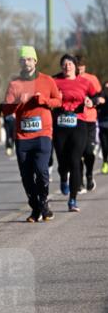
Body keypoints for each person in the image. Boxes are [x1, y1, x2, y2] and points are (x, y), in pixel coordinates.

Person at [1, 46, 62, 223]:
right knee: (26, 175)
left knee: (42, 171)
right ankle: (35, 208)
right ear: (19, 62)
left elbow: (58, 101)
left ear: (35, 61)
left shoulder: (47, 80)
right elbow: (5, 110)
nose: (26, 62)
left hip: (43, 133)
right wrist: (15, 104)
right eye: (23, 59)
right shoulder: (14, 84)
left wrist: (44, 101)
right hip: (22, 136)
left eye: (29, 59)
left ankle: (43, 202)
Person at [52, 54, 94, 213]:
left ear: (75, 66)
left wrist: (92, 102)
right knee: (63, 161)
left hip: (79, 124)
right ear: (61, 66)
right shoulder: (54, 81)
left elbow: (96, 96)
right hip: (60, 125)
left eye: (70, 63)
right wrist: (56, 99)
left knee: (75, 161)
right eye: (64, 64)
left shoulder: (84, 82)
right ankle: (63, 177)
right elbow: (47, 97)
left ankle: (73, 199)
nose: (67, 66)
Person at [76, 56, 103, 192]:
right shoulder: (69, 79)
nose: (79, 69)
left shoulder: (92, 79)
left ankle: (89, 175)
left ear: (85, 67)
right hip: (75, 121)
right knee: (77, 152)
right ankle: (79, 181)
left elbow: (101, 96)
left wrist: (93, 101)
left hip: (90, 120)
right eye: (77, 66)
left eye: (81, 66)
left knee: (88, 151)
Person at [97, 79, 108, 175]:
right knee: (104, 146)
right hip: (103, 124)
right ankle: (105, 162)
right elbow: (98, 103)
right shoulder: (103, 92)